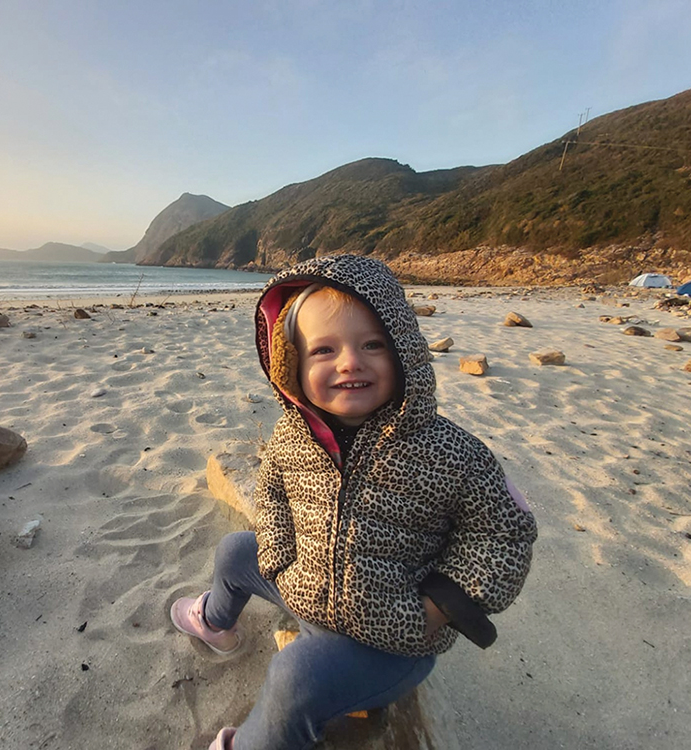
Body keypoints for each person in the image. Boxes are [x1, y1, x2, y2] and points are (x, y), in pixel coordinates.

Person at [170, 254, 538, 750]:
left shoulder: (449, 452)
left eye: (372, 345)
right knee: (236, 551)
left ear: (403, 352)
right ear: (291, 366)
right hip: (308, 590)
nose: (349, 362)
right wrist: (278, 555)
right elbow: (274, 484)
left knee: (297, 675)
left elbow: (503, 534)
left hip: (392, 635)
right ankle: (215, 623)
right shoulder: (295, 434)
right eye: (324, 349)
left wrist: (436, 608)